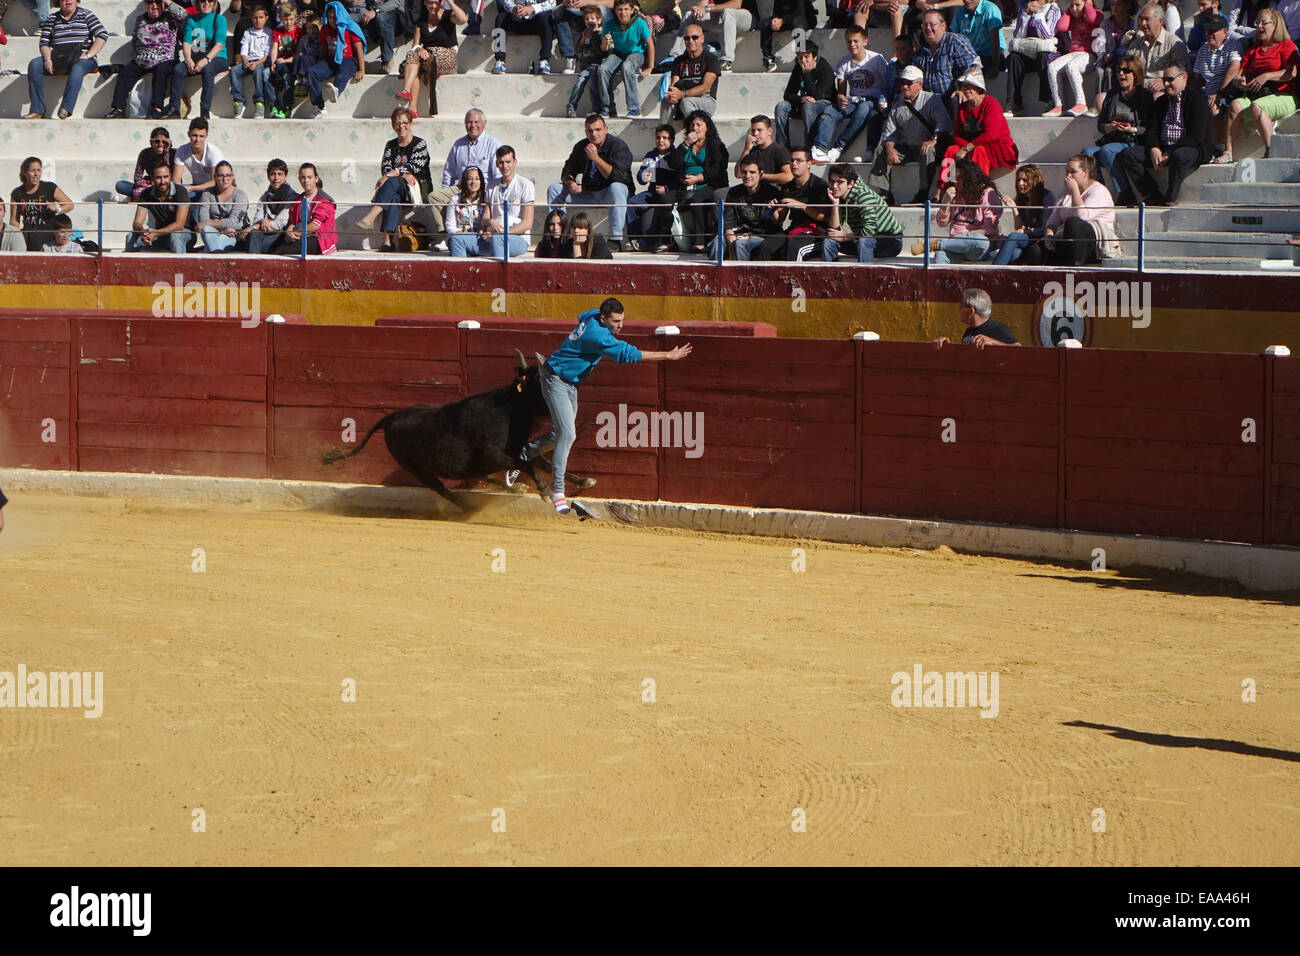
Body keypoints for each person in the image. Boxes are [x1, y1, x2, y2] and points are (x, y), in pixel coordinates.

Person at [515, 298, 692, 514]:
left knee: (557, 435)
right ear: (603, 319)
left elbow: (583, 314)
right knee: (567, 435)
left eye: (622, 320)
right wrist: (667, 355)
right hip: (556, 380)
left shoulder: (591, 317)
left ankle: (521, 453)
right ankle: (558, 491)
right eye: (616, 321)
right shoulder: (597, 336)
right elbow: (629, 354)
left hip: (568, 382)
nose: (620, 325)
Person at [1116, 62, 1213, 203]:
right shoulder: (1161, 102)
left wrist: (1170, 151)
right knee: (1128, 155)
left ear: (1184, 77)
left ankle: (1170, 198)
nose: (1166, 84)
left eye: (1170, 80)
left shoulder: (1197, 100)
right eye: (1164, 80)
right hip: (1164, 148)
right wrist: (1154, 148)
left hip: (1189, 148)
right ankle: (1152, 195)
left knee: (1179, 156)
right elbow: (1151, 130)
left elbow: (1196, 135)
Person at [547, 113, 634, 250]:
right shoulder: (581, 146)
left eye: (598, 130)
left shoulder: (618, 146)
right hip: (587, 193)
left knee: (617, 187)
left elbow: (619, 177)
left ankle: (615, 239)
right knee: (554, 189)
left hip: (609, 194)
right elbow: (566, 172)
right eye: (590, 130)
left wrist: (596, 159)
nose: (594, 134)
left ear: (605, 129)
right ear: (586, 132)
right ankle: (558, 237)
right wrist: (571, 184)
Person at [1221, 10, 1299, 159]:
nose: (1259, 26)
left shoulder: (1286, 46)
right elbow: (1238, 75)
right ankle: (1228, 152)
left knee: (1258, 107)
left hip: (1283, 95)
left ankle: (1271, 150)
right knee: (1235, 106)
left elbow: (1292, 73)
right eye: (1257, 23)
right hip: (1255, 94)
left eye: (1264, 22)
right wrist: (1239, 82)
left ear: (1275, 25)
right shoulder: (1253, 50)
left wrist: (1267, 76)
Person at [1019, 153, 1122, 263]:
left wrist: (1074, 191)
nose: (1068, 175)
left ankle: (1075, 270)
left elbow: (1082, 217)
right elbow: (1053, 219)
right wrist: (1049, 235)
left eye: (1073, 172)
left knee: (1073, 223)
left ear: (1085, 172)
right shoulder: (1065, 192)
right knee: (1036, 249)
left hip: (1093, 242)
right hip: (1066, 239)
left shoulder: (1099, 191)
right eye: (1067, 171)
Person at [357, 107, 432, 250]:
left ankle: (372, 216)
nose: (401, 126)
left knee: (391, 182)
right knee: (393, 195)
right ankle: (387, 242)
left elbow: (416, 167)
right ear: (393, 125)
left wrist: (394, 172)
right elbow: (385, 167)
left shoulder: (419, 144)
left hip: (418, 186)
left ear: (411, 124)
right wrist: (401, 174)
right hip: (398, 186)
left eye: (404, 122)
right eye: (397, 123)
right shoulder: (390, 145)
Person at [875, 63, 953, 202]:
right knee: (881, 150)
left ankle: (923, 192)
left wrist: (933, 140)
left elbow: (943, 123)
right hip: (908, 147)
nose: (905, 86)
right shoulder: (898, 101)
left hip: (927, 146)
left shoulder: (932, 99)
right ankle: (884, 192)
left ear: (920, 84)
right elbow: (889, 130)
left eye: (909, 83)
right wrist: (890, 148)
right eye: (902, 82)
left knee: (928, 150)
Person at [655, 109, 729, 253]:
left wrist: (698, 178)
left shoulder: (714, 144)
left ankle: (700, 241)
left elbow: (718, 168)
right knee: (664, 199)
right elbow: (674, 163)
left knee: (697, 199)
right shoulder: (686, 145)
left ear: (707, 126)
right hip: (685, 186)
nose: (695, 128)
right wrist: (685, 144)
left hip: (708, 184)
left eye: (699, 124)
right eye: (692, 125)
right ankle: (666, 241)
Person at [25, 0, 110, 120]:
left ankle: (66, 108)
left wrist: (89, 54)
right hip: (60, 58)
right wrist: (47, 59)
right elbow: (44, 43)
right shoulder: (52, 18)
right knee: (34, 65)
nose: (67, 1)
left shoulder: (86, 15)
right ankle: (37, 110)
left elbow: (102, 35)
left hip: (83, 59)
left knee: (78, 67)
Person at [1083, 54, 1155, 194]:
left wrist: (1132, 129)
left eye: (1126, 70)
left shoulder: (1144, 96)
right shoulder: (1112, 94)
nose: (1121, 73)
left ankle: (1125, 193)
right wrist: (1108, 127)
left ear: (1135, 74)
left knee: (1107, 151)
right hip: (1112, 138)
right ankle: (1098, 193)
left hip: (1133, 140)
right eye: (1119, 71)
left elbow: (1150, 127)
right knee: (1087, 153)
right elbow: (1101, 123)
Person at [107, 0, 187, 119]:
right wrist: (143, 56)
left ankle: (157, 107)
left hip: (166, 57)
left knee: (161, 71)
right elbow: (135, 40)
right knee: (125, 72)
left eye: (158, 2)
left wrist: (167, 1)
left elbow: (184, 14)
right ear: (146, 4)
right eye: (150, 2)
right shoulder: (141, 20)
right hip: (142, 58)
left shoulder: (170, 17)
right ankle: (118, 108)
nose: (154, 5)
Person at [428, 109, 503, 236]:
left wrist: (492, 193)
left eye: (476, 122)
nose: (473, 125)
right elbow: (449, 171)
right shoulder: (458, 144)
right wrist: (447, 192)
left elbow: (497, 175)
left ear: (484, 123)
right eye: (469, 122)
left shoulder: (493, 143)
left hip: (483, 186)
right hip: (461, 186)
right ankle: (445, 234)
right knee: (434, 197)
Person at [824, 25, 890, 163]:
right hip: (854, 99)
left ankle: (839, 148)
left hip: (873, 99)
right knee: (831, 111)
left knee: (865, 109)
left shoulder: (876, 59)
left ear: (865, 41)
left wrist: (884, 99)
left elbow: (888, 81)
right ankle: (820, 148)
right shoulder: (843, 62)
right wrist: (840, 97)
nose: (852, 44)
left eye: (856, 41)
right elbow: (841, 91)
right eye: (849, 41)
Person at [754, 146, 830, 261]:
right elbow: (779, 220)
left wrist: (801, 206)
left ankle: (792, 279)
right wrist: (774, 209)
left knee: (794, 247)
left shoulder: (819, 186)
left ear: (809, 163)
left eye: (799, 161)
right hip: (794, 229)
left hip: (817, 233)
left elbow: (824, 217)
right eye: (791, 160)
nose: (794, 164)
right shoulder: (787, 188)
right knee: (767, 245)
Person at [922, 156, 1001, 263]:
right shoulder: (953, 193)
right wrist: (946, 202)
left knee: (978, 239)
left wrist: (965, 237)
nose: (955, 181)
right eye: (953, 177)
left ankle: (935, 245)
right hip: (956, 246)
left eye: (959, 178)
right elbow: (941, 223)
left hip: (978, 247)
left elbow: (990, 229)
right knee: (940, 255)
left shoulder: (987, 193)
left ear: (970, 179)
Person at [942, 70, 1018, 182]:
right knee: (951, 150)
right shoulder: (962, 107)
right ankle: (946, 187)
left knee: (979, 151)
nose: (966, 89)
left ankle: (978, 186)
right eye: (964, 86)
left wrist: (967, 148)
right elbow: (957, 134)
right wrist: (966, 148)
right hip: (971, 146)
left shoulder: (991, 104)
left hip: (998, 148)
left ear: (978, 88)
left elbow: (991, 135)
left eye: (970, 86)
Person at [395, 0, 464, 117]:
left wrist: (451, 3)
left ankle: (410, 99)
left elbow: (463, 19)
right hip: (426, 58)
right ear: (425, 3)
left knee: (420, 60)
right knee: (412, 56)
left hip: (446, 56)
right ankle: (410, 100)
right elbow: (415, 45)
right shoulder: (421, 21)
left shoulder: (448, 16)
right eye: (430, 3)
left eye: (436, 3)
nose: (433, 6)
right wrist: (420, 50)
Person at [822, 162, 903, 262]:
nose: (834, 186)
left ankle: (865, 275)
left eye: (839, 182)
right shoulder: (839, 196)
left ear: (850, 184)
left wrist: (845, 237)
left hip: (889, 240)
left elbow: (869, 230)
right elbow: (835, 230)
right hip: (858, 237)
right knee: (829, 241)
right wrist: (835, 204)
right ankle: (829, 276)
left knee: (864, 241)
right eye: (832, 181)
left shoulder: (864, 196)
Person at [1193, 14, 1244, 159]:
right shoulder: (1203, 49)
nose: (1209, 34)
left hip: (1227, 92)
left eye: (1213, 31)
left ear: (1225, 32)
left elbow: (1234, 69)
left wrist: (1218, 93)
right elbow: (1197, 78)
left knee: (1213, 106)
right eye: (1207, 30)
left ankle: (1220, 147)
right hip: (1207, 92)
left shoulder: (1233, 46)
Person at [168, 0, 228, 120]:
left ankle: (204, 110)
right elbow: (187, 41)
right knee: (178, 70)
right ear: (197, 3)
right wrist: (188, 59)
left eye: (210, 0)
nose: (206, 3)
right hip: (196, 57)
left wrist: (206, 60)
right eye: (202, 1)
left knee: (207, 69)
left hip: (217, 57)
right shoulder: (192, 20)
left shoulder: (220, 19)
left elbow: (219, 44)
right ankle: (174, 108)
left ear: (214, 2)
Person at [1044, 0, 1104, 116]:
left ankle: (1081, 103)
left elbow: (1092, 19)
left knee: (1071, 66)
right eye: (1071, 5)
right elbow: (1062, 27)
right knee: (1052, 67)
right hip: (1073, 53)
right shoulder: (1072, 17)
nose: (1074, 8)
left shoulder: (1097, 13)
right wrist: (1068, 11)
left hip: (1089, 55)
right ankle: (1059, 104)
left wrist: (1087, 5)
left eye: (1078, 5)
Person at [712, 157, 780, 259]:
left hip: (762, 235)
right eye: (744, 172)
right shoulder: (734, 192)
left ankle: (743, 274)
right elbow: (728, 216)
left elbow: (775, 224)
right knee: (718, 241)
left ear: (761, 174)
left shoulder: (772, 192)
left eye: (752, 172)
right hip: (739, 232)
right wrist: (729, 232)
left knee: (740, 244)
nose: (747, 176)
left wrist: (773, 210)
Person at [307, 0, 366, 117]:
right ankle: (319, 105)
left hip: (348, 59)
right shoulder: (325, 29)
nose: (333, 21)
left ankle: (337, 89)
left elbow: (358, 49)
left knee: (343, 73)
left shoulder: (349, 27)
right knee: (312, 72)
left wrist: (361, 69)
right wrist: (321, 65)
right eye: (330, 18)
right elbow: (323, 49)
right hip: (331, 60)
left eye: (335, 17)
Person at [912, 9, 979, 109]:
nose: (928, 28)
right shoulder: (921, 52)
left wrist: (963, 90)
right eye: (924, 25)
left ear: (943, 25)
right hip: (928, 101)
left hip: (950, 98)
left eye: (932, 24)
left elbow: (973, 68)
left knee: (957, 100)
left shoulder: (956, 42)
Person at [1005, 1, 1062, 116]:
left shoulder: (1053, 9)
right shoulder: (1024, 9)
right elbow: (1018, 36)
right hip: (1028, 51)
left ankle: (1049, 100)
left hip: (1049, 52)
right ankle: (1014, 102)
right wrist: (1026, 16)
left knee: (1044, 56)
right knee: (1014, 57)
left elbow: (1047, 35)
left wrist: (1038, 14)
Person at [992, 162, 1056, 263]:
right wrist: (1014, 208)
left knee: (1013, 237)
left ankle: (992, 272)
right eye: (1018, 180)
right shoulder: (1022, 198)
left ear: (1034, 181)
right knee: (1015, 254)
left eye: (1025, 180)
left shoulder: (1047, 197)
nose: (1020, 183)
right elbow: (1019, 228)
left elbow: (1045, 228)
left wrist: (1026, 231)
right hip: (1028, 240)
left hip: (1041, 241)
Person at [1123, 2, 1191, 96]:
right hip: (1137, 90)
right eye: (1141, 19)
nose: (1143, 23)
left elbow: (1184, 74)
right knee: (1100, 98)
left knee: (1157, 97)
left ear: (1160, 21)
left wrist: (1165, 82)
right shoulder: (1135, 45)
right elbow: (1126, 69)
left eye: (1147, 19)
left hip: (1163, 93)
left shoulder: (1174, 44)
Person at [478, 145, 535, 258]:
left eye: (508, 162)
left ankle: (498, 275)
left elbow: (527, 223)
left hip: (517, 238)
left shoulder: (525, 185)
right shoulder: (491, 185)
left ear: (515, 162)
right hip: (492, 236)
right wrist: (490, 222)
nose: (505, 166)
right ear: (496, 164)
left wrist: (503, 232)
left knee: (498, 240)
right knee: (458, 240)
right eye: (501, 162)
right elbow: (484, 219)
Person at [598, 0, 653, 117]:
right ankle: (608, 108)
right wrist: (605, 42)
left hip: (637, 54)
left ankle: (634, 108)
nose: (623, 13)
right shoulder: (609, 23)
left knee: (627, 66)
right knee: (603, 69)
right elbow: (603, 49)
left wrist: (650, 66)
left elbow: (650, 44)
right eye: (619, 9)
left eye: (626, 9)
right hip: (618, 53)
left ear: (632, 10)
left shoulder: (639, 23)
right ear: (615, 11)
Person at [627, 123, 676, 249]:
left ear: (671, 140)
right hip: (652, 193)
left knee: (663, 203)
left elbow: (679, 179)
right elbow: (640, 176)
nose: (661, 141)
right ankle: (634, 240)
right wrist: (644, 176)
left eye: (665, 138)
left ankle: (659, 241)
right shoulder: (650, 155)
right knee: (631, 203)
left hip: (670, 194)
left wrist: (667, 189)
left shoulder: (676, 156)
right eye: (658, 138)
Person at [270, 162, 337, 254]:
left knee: (285, 252)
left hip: (319, 238)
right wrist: (289, 232)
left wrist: (296, 234)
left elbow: (314, 226)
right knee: (273, 249)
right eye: (303, 177)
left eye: (309, 177)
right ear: (299, 179)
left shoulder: (324, 200)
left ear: (316, 179)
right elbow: (293, 221)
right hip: (300, 234)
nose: (306, 181)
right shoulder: (299, 199)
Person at [126, 160, 191, 253]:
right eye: (158, 178)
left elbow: (179, 225)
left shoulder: (180, 191)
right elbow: (137, 223)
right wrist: (143, 233)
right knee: (131, 236)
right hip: (159, 234)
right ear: (152, 179)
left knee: (175, 236)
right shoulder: (146, 194)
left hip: (184, 233)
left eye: (165, 177)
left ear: (171, 176)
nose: (162, 181)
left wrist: (155, 233)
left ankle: (180, 266)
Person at [660, 21, 720, 122]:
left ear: (702, 38)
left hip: (706, 99)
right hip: (683, 96)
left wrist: (682, 94)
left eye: (694, 37)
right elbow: (674, 84)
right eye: (687, 38)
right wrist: (673, 95)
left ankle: (696, 132)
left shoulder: (711, 59)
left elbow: (705, 88)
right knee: (666, 100)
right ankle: (665, 134)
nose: (690, 41)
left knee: (685, 102)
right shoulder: (678, 61)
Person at [10, 157, 74, 251]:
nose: (36, 174)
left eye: (38, 170)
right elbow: (14, 221)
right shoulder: (17, 193)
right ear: (25, 172)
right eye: (32, 170)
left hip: (48, 235)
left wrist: (57, 209)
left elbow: (70, 204)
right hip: (28, 236)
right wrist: (17, 238)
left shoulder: (49, 187)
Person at [674, 0, 754, 73]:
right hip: (722, 17)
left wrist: (708, 8)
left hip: (746, 17)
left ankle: (726, 60)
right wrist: (698, 10)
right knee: (689, 15)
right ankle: (674, 57)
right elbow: (703, 5)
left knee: (728, 11)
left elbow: (736, 5)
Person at [240, 157, 298, 253]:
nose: (276, 178)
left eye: (280, 174)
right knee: (254, 235)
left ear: (285, 176)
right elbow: (257, 219)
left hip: (281, 235)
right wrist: (262, 221)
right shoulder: (265, 197)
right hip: (264, 234)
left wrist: (254, 226)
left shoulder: (291, 197)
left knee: (255, 239)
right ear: (268, 176)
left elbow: (279, 224)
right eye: (273, 174)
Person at [933, 288, 1021, 348]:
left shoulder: (998, 329)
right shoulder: (969, 331)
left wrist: (994, 342)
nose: (959, 308)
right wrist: (948, 347)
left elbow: (1019, 349)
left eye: (962, 306)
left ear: (971, 311)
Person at [194, 161, 251, 251]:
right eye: (221, 176)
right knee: (206, 229)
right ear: (215, 177)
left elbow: (233, 222)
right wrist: (222, 230)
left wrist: (208, 223)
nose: (225, 179)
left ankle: (209, 253)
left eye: (228, 175)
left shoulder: (240, 195)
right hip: (214, 232)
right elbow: (203, 219)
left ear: (232, 177)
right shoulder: (207, 193)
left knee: (215, 243)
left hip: (235, 235)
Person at [492, 0, 560, 75]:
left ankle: (544, 61)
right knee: (500, 18)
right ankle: (500, 61)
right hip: (518, 19)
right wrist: (513, 8)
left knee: (546, 17)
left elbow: (552, 3)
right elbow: (505, 1)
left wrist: (532, 8)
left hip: (538, 20)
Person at [230, 2, 273, 117]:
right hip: (248, 62)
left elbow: (267, 54)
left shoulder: (269, 33)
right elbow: (243, 50)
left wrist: (257, 63)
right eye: (255, 18)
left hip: (260, 62)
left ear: (266, 18)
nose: (258, 20)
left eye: (261, 17)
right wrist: (245, 61)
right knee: (234, 70)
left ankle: (259, 102)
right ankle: (238, 100)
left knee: (258, 71)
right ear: (251, 18)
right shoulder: (247, 32)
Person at [566, 4, 607, 117]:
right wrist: (584, 38)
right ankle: (571, 106)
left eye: (592, 18)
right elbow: (578, 49)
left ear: (599, 20)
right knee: (580, 82)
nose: (590, 21)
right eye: (587, 19)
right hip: (585, 66)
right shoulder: (584, 33)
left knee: (593, 83)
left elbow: (602, 52)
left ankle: (596, 108)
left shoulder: (600, 34)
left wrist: (594, 36)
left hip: (596, 65)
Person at [950, 0, 1006, 79]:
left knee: (971, 72)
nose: (967, 0)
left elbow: (995, 40)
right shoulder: (960, 12)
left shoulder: (990, 9)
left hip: (989, 56)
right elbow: (953, 37)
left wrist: (995, 67)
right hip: (969, 57)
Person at [173, 117, 225, 202]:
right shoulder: (182, 150)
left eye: (201, 136)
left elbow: (214, 182)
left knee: (197, 211)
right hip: (195, 187)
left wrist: (191, 188)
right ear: (188, 134)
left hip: (214, 190)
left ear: (206, 136)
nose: (197, 139)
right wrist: (181, 193)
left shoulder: (214, 152)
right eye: (194, 135)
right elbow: (176, 180)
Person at [116, 127, 176, 200]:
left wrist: (166, 153)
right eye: (157, 141)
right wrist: (150, 182)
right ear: (151, 143)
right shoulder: (145, 153)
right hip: (148, 185)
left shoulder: (173, 154)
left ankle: (147, 197)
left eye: (164, 142)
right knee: (120, 185)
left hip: (166, 186)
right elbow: (137, 178)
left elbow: (172, 176)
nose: (160, 144)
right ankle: (149, 196)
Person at [269, 2, 307, 117]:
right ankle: (274, 105)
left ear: (295, 18)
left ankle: (287, 107)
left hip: (291, 63)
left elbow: (299, 53)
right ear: (280, 19)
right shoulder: (277, 31)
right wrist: (273, 62)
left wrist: (286, 61)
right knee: (266, 75)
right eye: (285, 20)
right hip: (280, 62)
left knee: (288, 79)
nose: (288, 22)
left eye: (291, 19)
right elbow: (274, 48)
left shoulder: (299, 32)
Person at [734, 114, 794, 186]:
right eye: (753, 131)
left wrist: (762, 176)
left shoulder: (779, 151)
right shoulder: (752, 151)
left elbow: (788, 177)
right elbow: (738, 174)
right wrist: (746, 149)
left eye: (759, 130)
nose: (756, 134)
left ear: (769, 131)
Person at [445, 165, 490, 256]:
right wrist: (460, 234)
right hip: (460, 238)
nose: (473, 182)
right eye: (469, 179)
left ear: (481, 181)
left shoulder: (487, 199)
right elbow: (449, 226)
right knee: (456, 241)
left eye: (477, 179)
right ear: (464, 181)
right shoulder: (455, 200)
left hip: (480, 240)